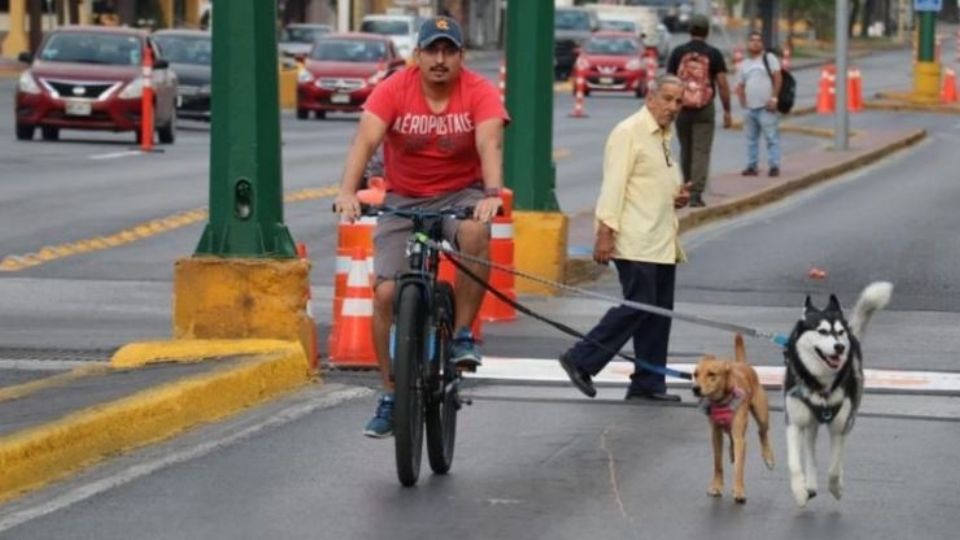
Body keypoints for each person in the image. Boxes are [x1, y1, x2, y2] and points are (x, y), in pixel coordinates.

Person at [333, 16, 509, 438]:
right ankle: (390, 394)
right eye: (433, 50)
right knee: (387, 294)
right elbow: (366, 140)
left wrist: (491, 193)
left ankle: (464, 333)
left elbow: (490, 142)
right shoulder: (395, 88)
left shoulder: (479, 91)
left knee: (475, 234)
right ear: (418, 55)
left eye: (450, 51)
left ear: (461, 57)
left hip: (460, 195)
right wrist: (348, 192)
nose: (441, 59)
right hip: (403, 201)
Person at [558, 75, 690, 403]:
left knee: (659, 313)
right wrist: (605, 233)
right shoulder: (628, 132)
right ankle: (580, 358)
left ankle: (649, 382)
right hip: (635, 239)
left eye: (679, 102)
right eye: (668, 99)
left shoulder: (664, 137)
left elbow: (655, 184)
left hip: (661, 239)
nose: (673, 107)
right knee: (637, 306)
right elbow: (614, 186)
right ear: (651, 98)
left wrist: (677, 197)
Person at [666, 13, 732, 208]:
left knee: (686, 150)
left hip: (682, 108)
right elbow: (722, 83)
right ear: (707, 31)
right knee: (701, 151)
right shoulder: (714, 54)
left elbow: (668, 82)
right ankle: (696, 195)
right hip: (705, 108)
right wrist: (727, 110)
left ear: (690, 30)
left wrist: (668, 108)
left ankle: (685, 189)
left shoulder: (678, 52)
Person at [736, 32, 782, 177]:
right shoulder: (744, 64)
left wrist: (774, 98)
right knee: (751, 139)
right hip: (750, 108)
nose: (755, 43)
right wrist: (742, 100)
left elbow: (778, 78)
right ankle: (752, 166)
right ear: (748, 44)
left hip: (766, 106)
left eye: (758, 40)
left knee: (771, 137)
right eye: (752, 40)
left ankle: (774, 166)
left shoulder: (769, 59)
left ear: (762, 44)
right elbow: (740, 84)